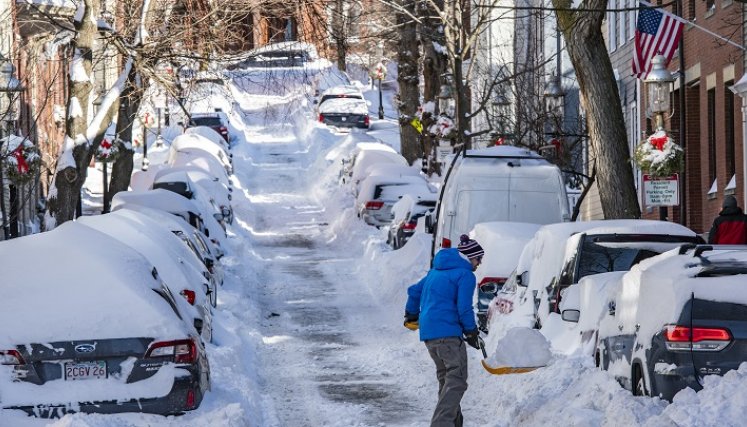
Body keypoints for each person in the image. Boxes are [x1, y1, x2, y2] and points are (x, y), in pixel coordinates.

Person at [404, 234, 484, 427]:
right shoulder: (465, 275)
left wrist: (411, 314)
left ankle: (454, 423)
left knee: (446, 379)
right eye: (478, 258)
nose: (479, 263)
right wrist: (471, 331)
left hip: (430, 335)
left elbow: (414, 291)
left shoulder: (435, 271)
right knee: (457, 380)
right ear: (469, 257)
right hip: (447, 334)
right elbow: (464, 307)